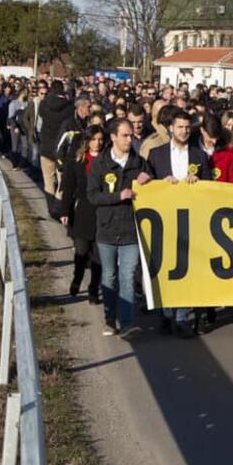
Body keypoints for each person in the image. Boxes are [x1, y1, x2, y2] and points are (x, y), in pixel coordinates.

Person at [147, 110, 213, 337]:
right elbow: (146, 185)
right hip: (163, 221)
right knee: (165, 268)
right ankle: (166, 315)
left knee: (185, 269)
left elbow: (210, 187)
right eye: (180, 127)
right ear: (171, 128)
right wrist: (159, 184)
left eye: (187, 127)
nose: (184, 131)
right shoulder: (156, 155)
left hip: (190, 221)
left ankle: (183, 317)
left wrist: (199, 181)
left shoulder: (199, 155)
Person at [87, 119, 151, 340]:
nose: (129, 139)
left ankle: (126, 323)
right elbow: (92, 195)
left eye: (131, 135)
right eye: (124, 135)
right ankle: (109, 318)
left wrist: (149, 179)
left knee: (127, 276)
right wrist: (118, 196)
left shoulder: (139, 162)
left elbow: (154, 188)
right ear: (113, 137)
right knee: (109, 275)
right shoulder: (100, 164)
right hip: (106, 229)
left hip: (131, 230)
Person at [58, 124, 106, 304]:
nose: (97, 143)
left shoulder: (107, 160)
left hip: (101, 212)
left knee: (98, 256)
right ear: (87, 141)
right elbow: (68, 188)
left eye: (100, 139)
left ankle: (94, 289)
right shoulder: (77, 161)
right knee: (81, 251)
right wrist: (65, 211)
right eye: (94, 140)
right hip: (82, 212)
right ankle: (77, 278)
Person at [38, 80, 75, 204]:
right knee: (62, 182)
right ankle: (59, 207)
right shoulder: (69, 108)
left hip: (46, 147)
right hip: (62, 149)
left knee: (48, 181)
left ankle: (50, 206)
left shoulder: (43, 105)